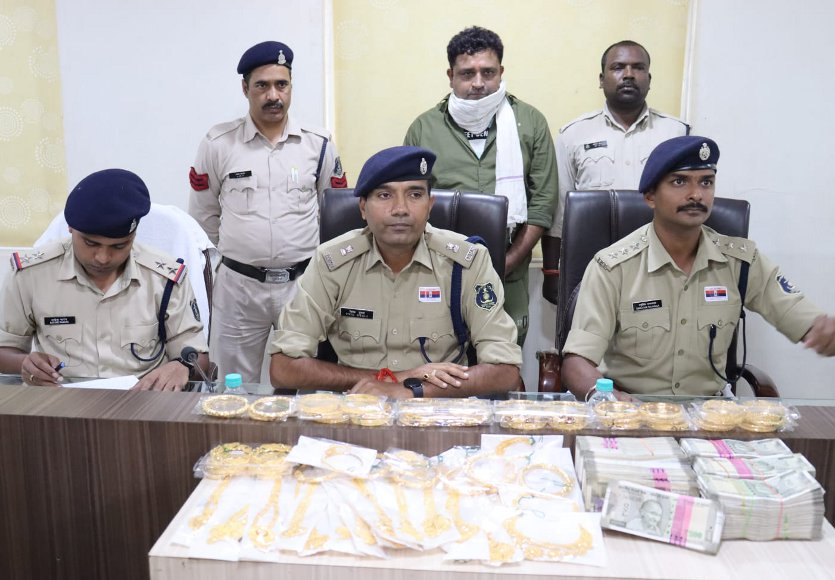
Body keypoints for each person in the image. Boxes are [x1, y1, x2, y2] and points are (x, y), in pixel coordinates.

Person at [562, 136, 835, 398]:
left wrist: (821, 330)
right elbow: (577, 364)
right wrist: (612, 401)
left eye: (706, 182)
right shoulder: (613, 267)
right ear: (650, 196)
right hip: (633, 410)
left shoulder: (740, 261)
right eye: (680, 181)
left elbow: (803, 318)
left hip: (709, 415)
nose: (696, 194)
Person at [268, 146, 523, 398]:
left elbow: (505, 372)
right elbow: (283, 369)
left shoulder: (467, 261)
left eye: (415, 194)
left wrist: (412, 391)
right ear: (363, 208)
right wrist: (396, 379)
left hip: (440, 408)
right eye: (384, 195)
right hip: (358, 406)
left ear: (430, 205)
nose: (400, 208)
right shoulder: (332, 263)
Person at [189, 40, 347, 383]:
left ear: (291, 87)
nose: (273, 95)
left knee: (306, 380)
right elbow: (204, 217)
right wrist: (243, 251)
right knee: (232, 384)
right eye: (262, 85)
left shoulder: (318, 144)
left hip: (303, 285)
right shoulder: (218, 144)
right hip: (239, 287)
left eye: (281, 85)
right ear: (245, 89)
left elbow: (334, 215)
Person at [404, 26, 558, 346]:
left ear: (501, 72)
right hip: (439, 271)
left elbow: (543, 202)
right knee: (441, 355)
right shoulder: (424, 129)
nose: (478, 83)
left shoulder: (530, 123)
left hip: (508, 270)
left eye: (488, 72)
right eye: (467, 73)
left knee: (503, 356)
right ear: (451, 76)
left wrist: (508, 260)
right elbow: (410, 202)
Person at [0, 169, 210, 390]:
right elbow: (5, 351)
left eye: (119, 246)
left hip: (141, 400)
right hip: (61, 399)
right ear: (70, 228)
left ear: (133, 235)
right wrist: (25, 364)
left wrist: (183, 366)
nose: (103, 258)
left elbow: (199, 358)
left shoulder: (164, 278)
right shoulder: (31, 274)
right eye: (91, 243)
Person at [541, 40, 689, 305]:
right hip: (593, 266)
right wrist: (552, 272)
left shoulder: (677, 134)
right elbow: (559, 210)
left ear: (649, 79)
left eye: (638, 67)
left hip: (661, 265)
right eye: (618, 67)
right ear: (602, 79)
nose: (628, 74)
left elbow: (690, 204)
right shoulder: (573, 134)